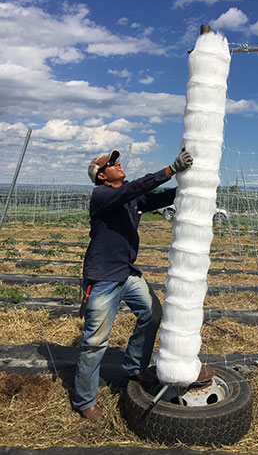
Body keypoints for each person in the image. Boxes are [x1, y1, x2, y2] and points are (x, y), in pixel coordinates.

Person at [73, 148, 193, 420]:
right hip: (103, 275)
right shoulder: (102, 195)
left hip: (126, 271)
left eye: (116, 160)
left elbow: (156, 198)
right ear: (102, 176)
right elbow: (136, 188)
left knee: (152, 313)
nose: (118, 164)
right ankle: (84, 402)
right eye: (111, 163)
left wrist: (193, 184)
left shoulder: (129, 194)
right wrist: (170, 169)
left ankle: (134, 366)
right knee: (94, 342)